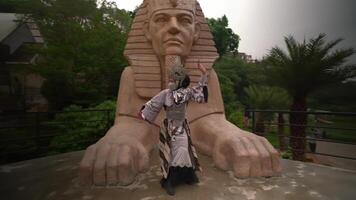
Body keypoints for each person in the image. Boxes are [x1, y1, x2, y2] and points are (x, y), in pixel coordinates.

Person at [79, 0, 281, 187]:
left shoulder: (209, 78)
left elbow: (209, 119)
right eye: (161, 19)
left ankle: (183, 178)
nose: (174, 27)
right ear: (146, 31)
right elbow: (136, 121)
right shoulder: (131, 77)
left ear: (196, 32)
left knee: (183, 157)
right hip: (172, 133)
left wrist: (230, 135)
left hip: (180, 134)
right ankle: (171, 181)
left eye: (184, 20)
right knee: (172, 158)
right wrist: (124, 138)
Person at [138, 62, 207, 195]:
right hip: (170, 128)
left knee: (184, 151)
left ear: (180, 81)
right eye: (170, 78)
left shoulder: (187, 93)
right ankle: (169, 181)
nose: (170, 81)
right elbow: (154, 103)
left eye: (173, 79)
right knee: (172, 153)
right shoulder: (166, 94)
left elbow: (199, 90)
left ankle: (186, 176)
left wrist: (204, 74)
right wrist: (143, 113)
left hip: (182, 127)